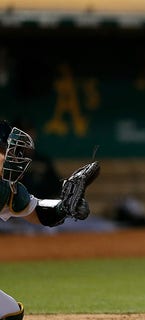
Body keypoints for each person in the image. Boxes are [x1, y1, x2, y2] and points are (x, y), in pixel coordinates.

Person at [0, 120, 91, 320]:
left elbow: (36, 212)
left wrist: (65, 206)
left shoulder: (4, 188)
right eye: (7, 151)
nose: (13, 158)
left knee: (10, 313)